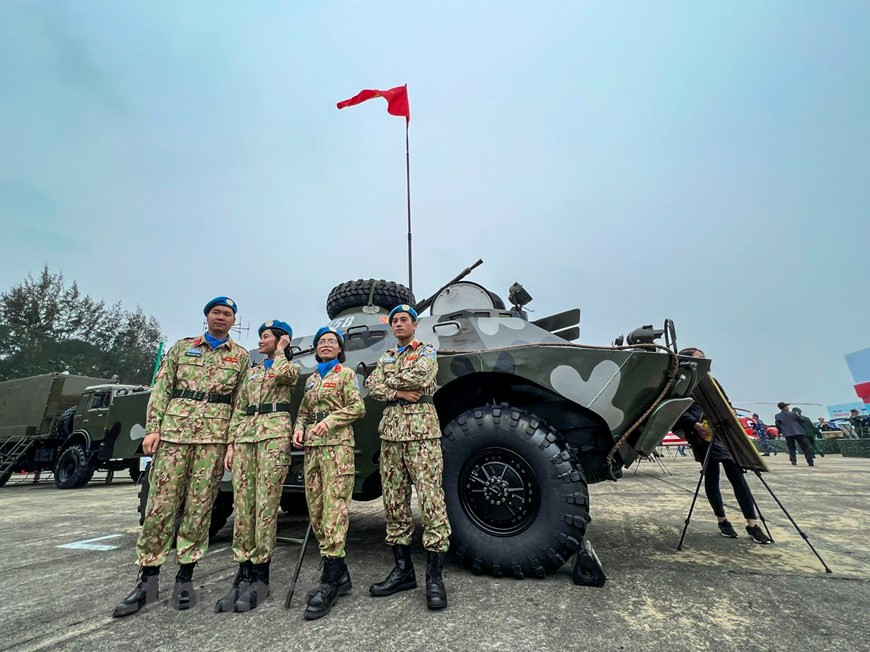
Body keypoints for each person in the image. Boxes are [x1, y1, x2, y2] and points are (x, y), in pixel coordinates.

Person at [113, 297, 250, 617]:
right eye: (216, 312)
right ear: (207, 317)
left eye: (227, 314)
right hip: (174, 436)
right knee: (160, 506)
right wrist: (153, 428)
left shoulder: (240, 358)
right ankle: (147, 579)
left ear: (233, 321)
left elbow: (240, 403)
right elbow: (161, 389)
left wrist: (231, 443)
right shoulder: (181, 348)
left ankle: (185, 577)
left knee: (199, 509)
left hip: (212, 441)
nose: (221, 318)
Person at [366, 304, 451, 609]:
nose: (399, 324)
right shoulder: (386, 356)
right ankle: (403, 572)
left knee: (431, 502)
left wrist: (389, 383)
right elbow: (370, 385)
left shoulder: (426, 350)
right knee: (394, 504)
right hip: (390, 435)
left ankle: (434, 577)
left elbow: (422, 374)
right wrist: (397, 393)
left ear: (415, 325)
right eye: (395, 321)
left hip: (422, 435)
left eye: (404, 320)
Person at [216, 320, 300, 613]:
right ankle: (243, 573)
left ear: (280, 340)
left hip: (273, 436)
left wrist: (281, 351)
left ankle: (261, 578)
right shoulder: (251, 372)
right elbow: (238, 408)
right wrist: (230, 444)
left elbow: (286, 375)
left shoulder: (287, 366)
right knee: (244, 506)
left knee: (265, 507)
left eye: (266, 337)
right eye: (261, 337)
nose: (260, 340)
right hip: (245, 438)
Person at [292, 326, 365, 620]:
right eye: (321, 341)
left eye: (331, 341)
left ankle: (330, 581)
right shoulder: (311, 381)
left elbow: (358, 407)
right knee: (318, 512)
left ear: (339, 349)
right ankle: (341, 574)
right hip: (313, 450)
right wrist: (299, 428)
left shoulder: (345, 375)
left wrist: (332, 420)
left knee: (335, 511)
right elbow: (304, 412)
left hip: (337, 448)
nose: (325, 344)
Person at [673, 348, 771, 545]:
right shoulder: (682, 382)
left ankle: (752, 524)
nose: (705, 361)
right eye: (699, 358)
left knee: (737, 476)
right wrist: (694, 423)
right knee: (711, 477)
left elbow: (725, 404)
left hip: (722, 433)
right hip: (700, 435)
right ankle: (722, 520)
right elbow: (676, 407)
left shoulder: (712, 383)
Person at [774, 402, 814, 466]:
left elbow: (777, 425)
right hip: (799, 432)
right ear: (785, 407)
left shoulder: (778, 415)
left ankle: (793, 461)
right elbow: (802, 420)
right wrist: (798, 416)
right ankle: (810, 461)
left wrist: (782, 431)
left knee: (791, 447)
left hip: (788, 433)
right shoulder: (793, 413)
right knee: (805, 447)